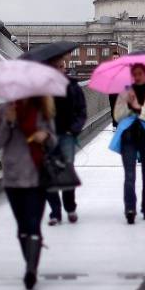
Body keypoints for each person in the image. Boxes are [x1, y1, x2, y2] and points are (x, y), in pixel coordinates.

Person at [0, 96, 57, 290]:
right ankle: (30, 260)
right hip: (14, 177)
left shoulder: (42, 109)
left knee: (33, 224)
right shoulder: (5, 110)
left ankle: (31, 269)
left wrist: (45, 137)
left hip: (38, 175)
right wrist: (9, 122)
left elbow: (53, 140)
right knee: (22, 227)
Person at [109, 63, 145, 224]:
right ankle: (130, 209)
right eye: (135, 74)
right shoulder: (125, 93)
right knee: (129, 176)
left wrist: (138, 108)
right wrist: (128, 106)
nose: (137, 76)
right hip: (129, 138)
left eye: (140, 73)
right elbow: (117, 116)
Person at [44, 55, 87, 226]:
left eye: (61, 67)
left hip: (67, 135)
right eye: (55, 67)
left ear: (65, 67)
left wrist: (74, 129)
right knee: (49, 172)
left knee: (66, 170)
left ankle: (70, 208)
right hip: (48, 135)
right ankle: (55, 211)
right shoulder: (43, 89)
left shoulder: (73, 86)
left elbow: (82, 110)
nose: (59, 70)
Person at [107, 50, 121, 127]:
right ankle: (115, 124)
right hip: (112, 91)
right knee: (113, 107)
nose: (115, 59)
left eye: (117, 58)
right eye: (114, 58)